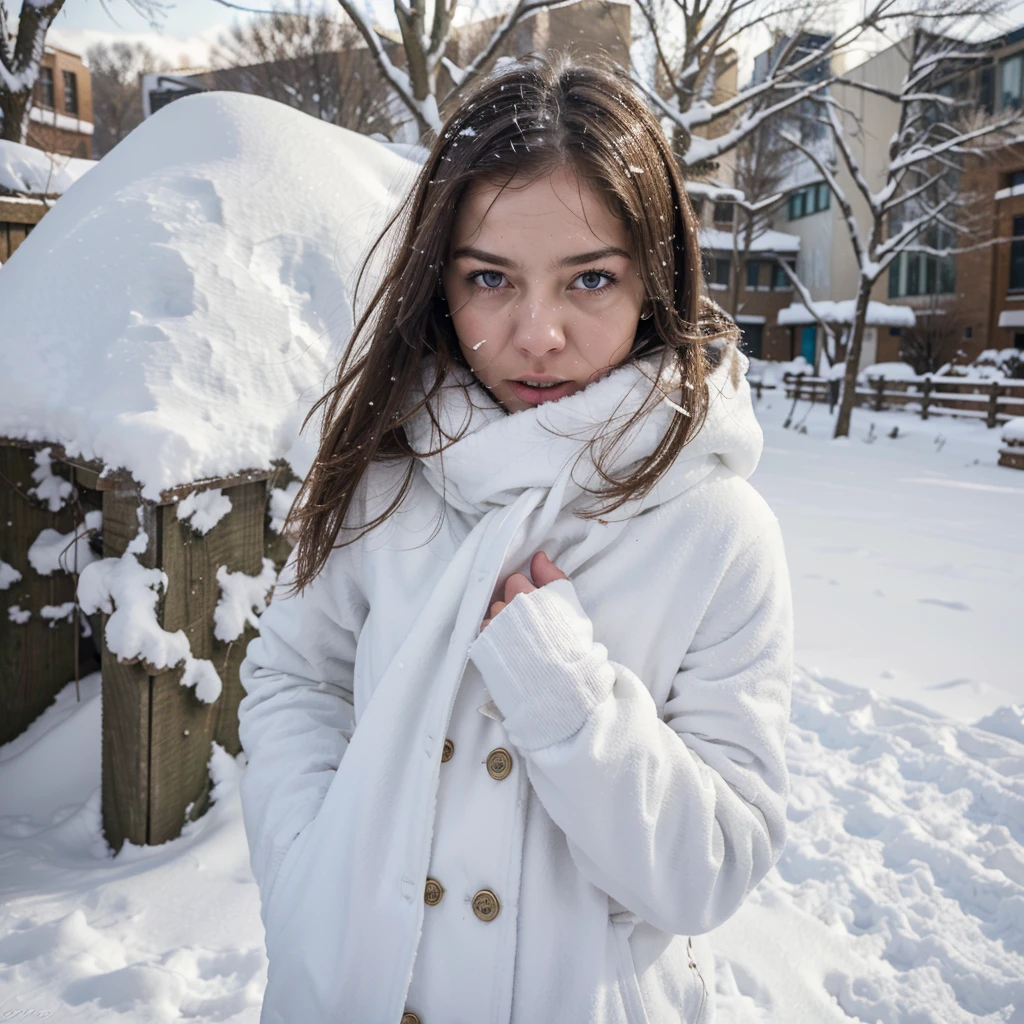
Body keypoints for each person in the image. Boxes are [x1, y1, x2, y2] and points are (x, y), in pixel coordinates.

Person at [237, 50, 794, 1024]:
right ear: (438, 285)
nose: (538, 333)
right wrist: (306, 878)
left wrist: (569, 700)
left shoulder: (717, 530)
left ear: (652, 280)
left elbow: (716, 863)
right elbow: (294, 679)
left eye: (588, 279)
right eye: (490, 277)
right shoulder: (385, 472)